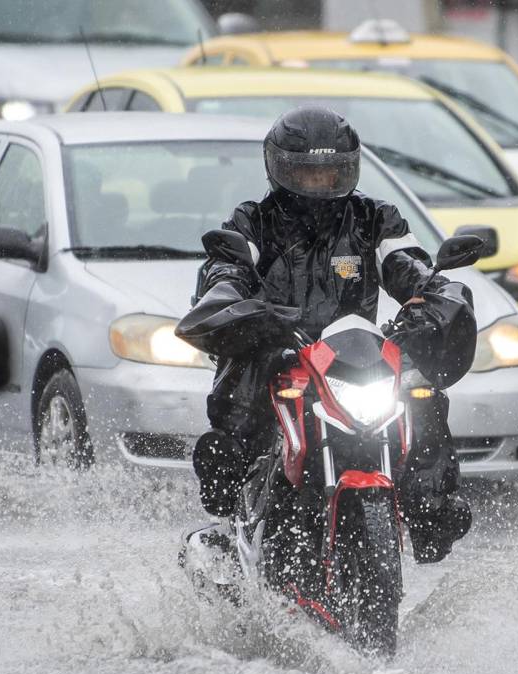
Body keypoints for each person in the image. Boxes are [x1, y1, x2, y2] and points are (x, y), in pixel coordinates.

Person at [176, 106, 476, 564]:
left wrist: (432, 292)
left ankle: (430, 510)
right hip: (283, 353)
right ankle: (233, 515)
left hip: (357, 360)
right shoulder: (255, 220)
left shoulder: (374, 220)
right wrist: (233, 295)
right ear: (280, 169)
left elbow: (406, 262)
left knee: (419, 392)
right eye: (308, 174)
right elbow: (227, 267)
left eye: (331, 173)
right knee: (241, 402)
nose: (320, 184)